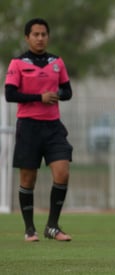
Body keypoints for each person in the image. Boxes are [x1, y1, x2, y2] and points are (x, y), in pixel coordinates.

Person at [4, 18, 73, 242]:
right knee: (27, 178)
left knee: (62, 172)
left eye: (43, 34)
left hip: (53, 127)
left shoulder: (57, 62)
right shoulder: (17, 63)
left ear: (48, 36)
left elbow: (67, 91)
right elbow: (10, 94)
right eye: (35, 34)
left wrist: (57, 95)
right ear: (27, 37)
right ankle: (30, 229)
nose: (40, 38)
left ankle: (52, 226)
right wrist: (39, 97)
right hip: (28, 127)